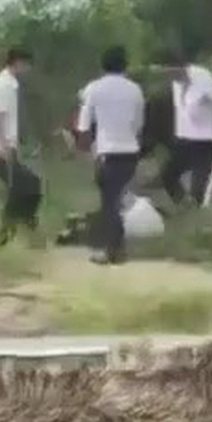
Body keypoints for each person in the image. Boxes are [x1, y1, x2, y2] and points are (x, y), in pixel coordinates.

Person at [77, 46, 145, 265]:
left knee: (110, 202)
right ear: (125, 64)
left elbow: (84, 125)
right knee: (115, 199)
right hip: (130, 151)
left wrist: (87, 151)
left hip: (107, 151)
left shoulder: (94, 89)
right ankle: (117, 246)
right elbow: (139, 123)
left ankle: (113, 250)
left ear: (102, 65)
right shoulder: (135, 90)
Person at [0, 47, 42, 246]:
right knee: (27, 185)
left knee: (25, 186)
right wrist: (4, 146)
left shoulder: (5, 83)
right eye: (26, 64)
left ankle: (17, 229)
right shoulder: (4, 85)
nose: (27, 69)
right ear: (17, 62)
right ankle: (12, 232)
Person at [161, 50, 212, 206]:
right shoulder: (175, 82)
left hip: (206, 139)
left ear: (181, 67)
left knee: (199, 184)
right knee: (167, 175)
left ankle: (198, 210)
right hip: (184, 137)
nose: (171, 78)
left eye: (172, 73)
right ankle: (184, 205)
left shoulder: (203, 77)